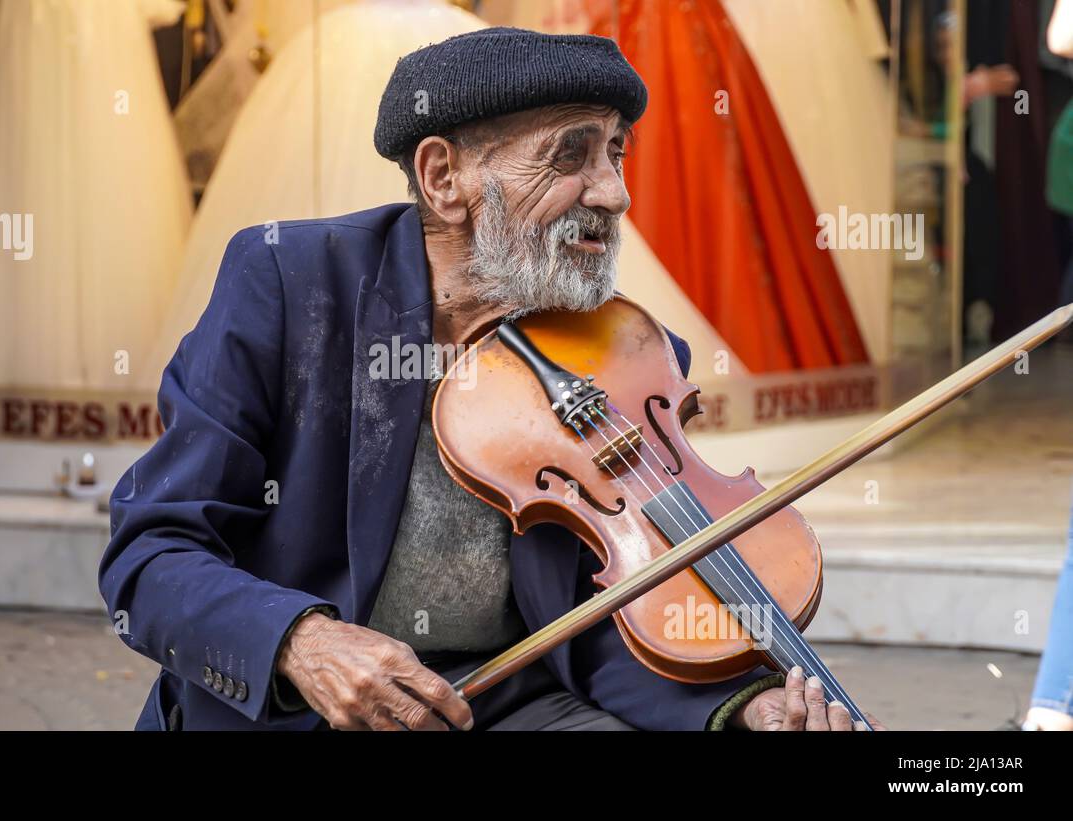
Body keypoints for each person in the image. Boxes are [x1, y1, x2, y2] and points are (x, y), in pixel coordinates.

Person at [99, 27, 884, 731]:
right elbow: (152, 550)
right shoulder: (288, 284)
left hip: (507, 701)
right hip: (303, 707)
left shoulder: (625, 355)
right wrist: (304, 641)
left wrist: (743, 705)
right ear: (444, 177)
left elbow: (608, 616)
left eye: (617, 151)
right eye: (570, 154)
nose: (615, 192)